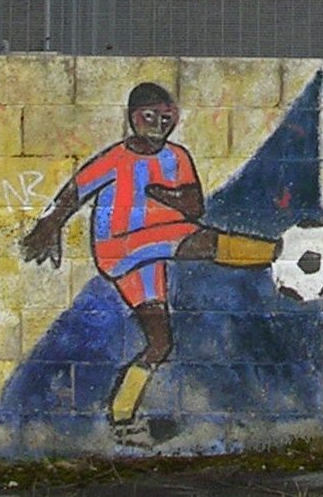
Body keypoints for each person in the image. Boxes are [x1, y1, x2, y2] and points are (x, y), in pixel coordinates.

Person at [16, 83, 217, 449]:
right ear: (133, 117)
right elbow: (76, 191)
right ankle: (276, 252)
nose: (158, 125)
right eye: (150, 117)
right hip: (121, 246)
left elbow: (194, 206)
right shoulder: (117, 158)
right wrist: (50, 224)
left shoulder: (177, 157)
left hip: (154, 245)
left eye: (166, 118)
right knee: (206, 242)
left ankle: (123, 418)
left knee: (160, 342)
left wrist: (162, 194)